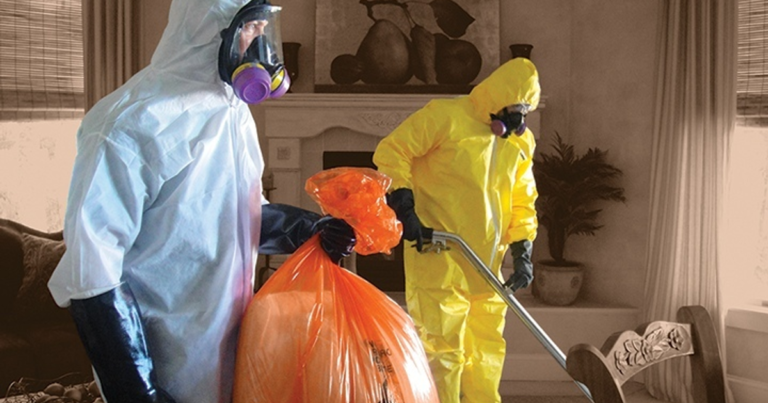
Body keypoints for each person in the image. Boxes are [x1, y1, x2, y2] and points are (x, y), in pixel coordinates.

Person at [47, 1, 355, 402]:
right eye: (250, 29)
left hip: (230, 346)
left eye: (265, 29)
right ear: (213, 27)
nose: (260, 44)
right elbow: (92, 273)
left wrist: (308, 229)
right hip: (164, 360)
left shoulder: (230, 110)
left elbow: (238, 215)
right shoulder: (128, 125)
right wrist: (138, 388)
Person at [372, 57, 541, 403]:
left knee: (487, 347)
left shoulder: (519, 142)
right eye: (512, 108)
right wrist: (405, 209)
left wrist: (523, 249)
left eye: (524, 110)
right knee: (442, 346)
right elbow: (393, 151)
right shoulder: (445, 117)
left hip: (488, 260)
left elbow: (524, 196)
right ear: (496, 98)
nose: (517, 119)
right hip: (438, 249)